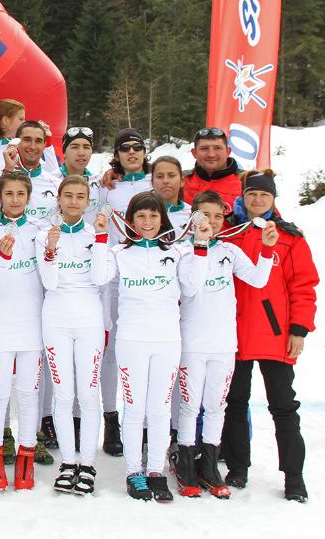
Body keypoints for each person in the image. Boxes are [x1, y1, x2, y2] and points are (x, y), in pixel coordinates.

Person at [95, 192, 210, 502]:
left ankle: (156, 470)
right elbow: (99, 276)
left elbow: (192, 287)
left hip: (167, 340)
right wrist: (101, 236)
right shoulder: (119, 252)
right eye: (141, 216)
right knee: (135, 408)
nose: (147, 222)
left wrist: (200, 244)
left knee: (159, 409)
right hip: (132, 341)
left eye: (153, 216)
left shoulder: (177, 251)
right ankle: (134, 471)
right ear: (131, 220)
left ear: (163, 219)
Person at [222, 170, 319, 503]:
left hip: (274, 335)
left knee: (283, 406)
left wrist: (299, 329)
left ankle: (294, 477)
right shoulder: (229, 233)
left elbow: (303, 286)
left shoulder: (289, 237)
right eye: (252, 194)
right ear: (243, 197)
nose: (257, 200)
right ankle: (237, 467)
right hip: (235, 333)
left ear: (273, 199)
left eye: (264, 195)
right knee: (235, 403)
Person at [171, 190, 275, 499]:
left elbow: (258, 280)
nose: (213, 221)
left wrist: (267, 249)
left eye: (218, 216)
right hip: (192, 343)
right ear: (193, 217)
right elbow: (189, 288)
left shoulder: (230, 250)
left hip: (224, 343)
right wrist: (200, 245)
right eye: (206, 215)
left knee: (217, 405)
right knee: (190, 405)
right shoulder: (181, 251)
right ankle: (186, 462)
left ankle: (209, 464)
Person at [36, 175, 111, 495]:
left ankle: (88, 464)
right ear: (59, 198)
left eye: (80, 196)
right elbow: (49, 282)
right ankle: (68, 463)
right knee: (63, 395)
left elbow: (101, 278)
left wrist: (102, 239)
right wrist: (51, 250)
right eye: (68, 195)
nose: (74, 202)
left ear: (88, 201)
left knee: (88, 394)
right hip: (56, 319)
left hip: (88, 319)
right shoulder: (44, 234)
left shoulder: (96, 234)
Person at [0, 172, 45, 492]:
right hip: (1, 323)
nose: (15, 199)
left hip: (32, 324)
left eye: (21, 194)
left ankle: (26, 457)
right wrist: (4, 256)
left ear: (29, 197)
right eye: (9, 194)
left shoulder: (39, 230)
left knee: (29, 394)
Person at [99, 128, 152, 455]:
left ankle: (144, 422)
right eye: (125, 148)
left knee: (144, 349)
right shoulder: (107, 187)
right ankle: (111, 419)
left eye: (137, 147)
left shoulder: (155, 183)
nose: (132, 152)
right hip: (115, 277)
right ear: (116, 155)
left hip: (148, 277)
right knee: (111, 350)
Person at [0, 121, 61, 220]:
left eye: (38, 141)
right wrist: (9, 170)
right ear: (16, 142)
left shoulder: (57, 184)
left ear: (44, 145)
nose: (32, 146)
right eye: (27, 140)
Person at [182, 127, 241, 209]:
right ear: (194, 153)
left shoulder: (246, 182)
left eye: (217, 148)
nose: (211, 154)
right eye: (204, 148)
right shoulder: (180, 180)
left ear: (228, 152)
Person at [59, 127, 101, 222]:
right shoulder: (50, 179)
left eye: (86, 147)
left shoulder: (100, 182)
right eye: (75, 147)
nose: (81, 153)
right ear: (64, 152)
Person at [151, 156, 189, 231]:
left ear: (182, 181)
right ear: (152, 183)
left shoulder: (193, 215)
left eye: (171, 176)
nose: (165, 181)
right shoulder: (142, 214)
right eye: (160, 176)